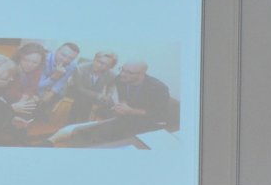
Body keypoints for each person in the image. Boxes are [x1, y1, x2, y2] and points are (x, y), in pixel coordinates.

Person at [48, 60, 177, 146]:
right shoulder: (121, 79)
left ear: (142, 74)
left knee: (101, 140)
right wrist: (119, 107)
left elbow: (160, 116)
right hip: (126, 119)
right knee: (86, 133)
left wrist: (130, 110)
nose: (122, 74)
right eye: (122, 69)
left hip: (148, 125)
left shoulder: (158, 88)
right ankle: (51, 142)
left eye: (129, 72)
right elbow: (124, 99)